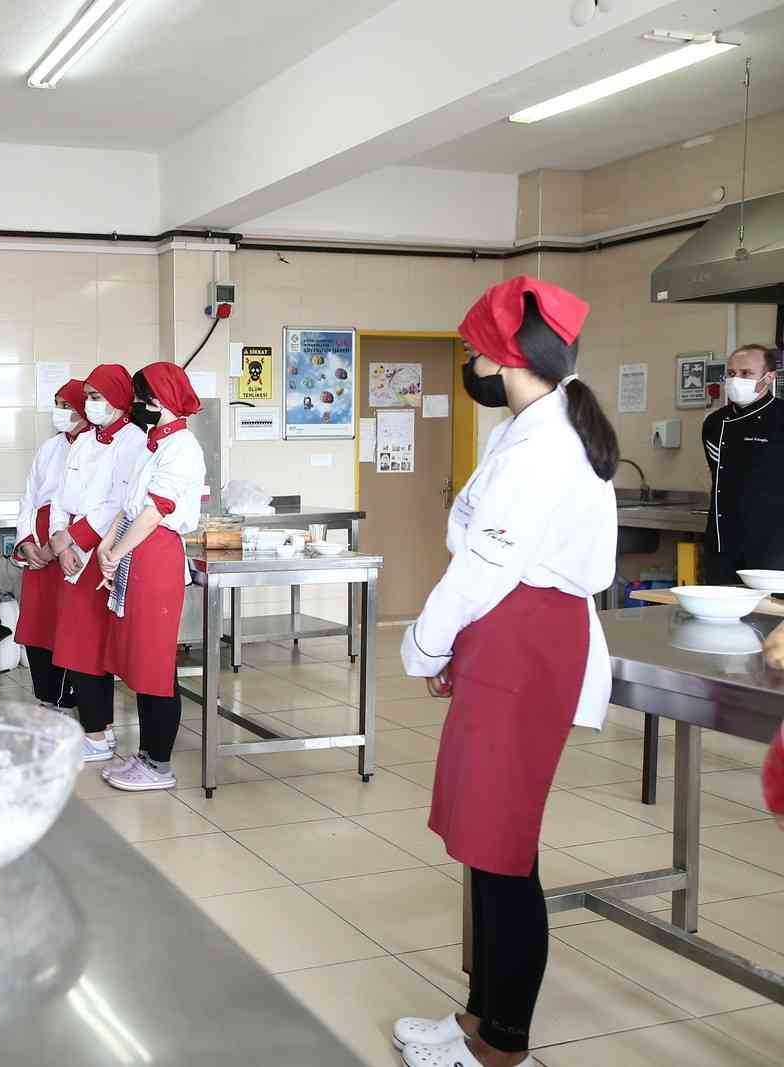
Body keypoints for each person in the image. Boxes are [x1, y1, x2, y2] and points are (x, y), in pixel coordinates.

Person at [394, 277, 618, 1067]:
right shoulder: (530, 428)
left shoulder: (547, 445)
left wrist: (424, 641)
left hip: (526, 638)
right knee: (484, 841)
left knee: (503, 847)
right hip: (510, 634)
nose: (469, 363)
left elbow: (486, 564)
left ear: (505, 355)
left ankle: (502, 1043)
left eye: (471, 350)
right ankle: (476, 1017)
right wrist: (459, 644)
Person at [98, 363, 206, 791]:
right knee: (139, 661)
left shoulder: (182, 447)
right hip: (134, 551)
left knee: (156, 664)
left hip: (156, 555)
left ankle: (159, 764)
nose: (139, 405)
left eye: (145, 397)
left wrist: (117, 550)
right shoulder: (152, 445)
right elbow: (128, 505)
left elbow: (155, 510)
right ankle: (144, 755)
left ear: (164, 399)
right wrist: (108, 546)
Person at [48, 364, 148, 762]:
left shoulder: (133, 441)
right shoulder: (84, 441)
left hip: (103, 550)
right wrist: (59, 539)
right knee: (75, 646)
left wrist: (75, 540)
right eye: (87, 396)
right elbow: (60, 494)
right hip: (72, 547)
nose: (89, 405)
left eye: (96, 397)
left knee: (90, 645)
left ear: (120, 399)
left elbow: (118, 505)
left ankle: (98, 732)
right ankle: (95, 729)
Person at [13, 378, 89, 707]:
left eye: (67, 405)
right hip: (39, 558)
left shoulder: (96, 447)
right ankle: (46, 698)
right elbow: (28, 500)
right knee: (37, 628)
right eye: (57, 405)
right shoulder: (50, 448)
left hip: (73, 552)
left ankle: (72, 702)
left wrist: (58, 545)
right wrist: (26, 542)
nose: (60, 412)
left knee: (71, 629)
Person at [700, 343, 784, 584]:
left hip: (773, 548)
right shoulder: (715, 423)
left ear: (769, 378)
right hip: (722, 544)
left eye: (746, 373)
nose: (737, 380)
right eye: (732, 373)